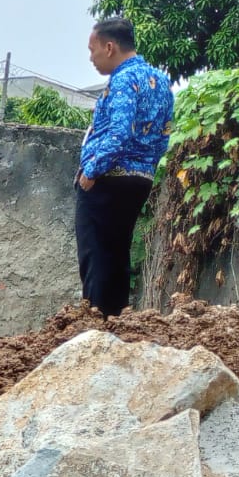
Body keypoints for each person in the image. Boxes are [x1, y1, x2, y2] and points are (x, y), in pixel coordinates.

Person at [75, 17, 174, 318]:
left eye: (91, 49)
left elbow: (118, 134)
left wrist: (92, 170)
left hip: (108, 177)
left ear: (109, 47)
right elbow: (164, 135)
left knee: (96, 255)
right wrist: (146, 168)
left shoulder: (122, 80)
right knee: (117, 253)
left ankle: (96, 321)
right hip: (140, 179)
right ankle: (117, 319)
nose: (90, 57)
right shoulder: (161, 81)